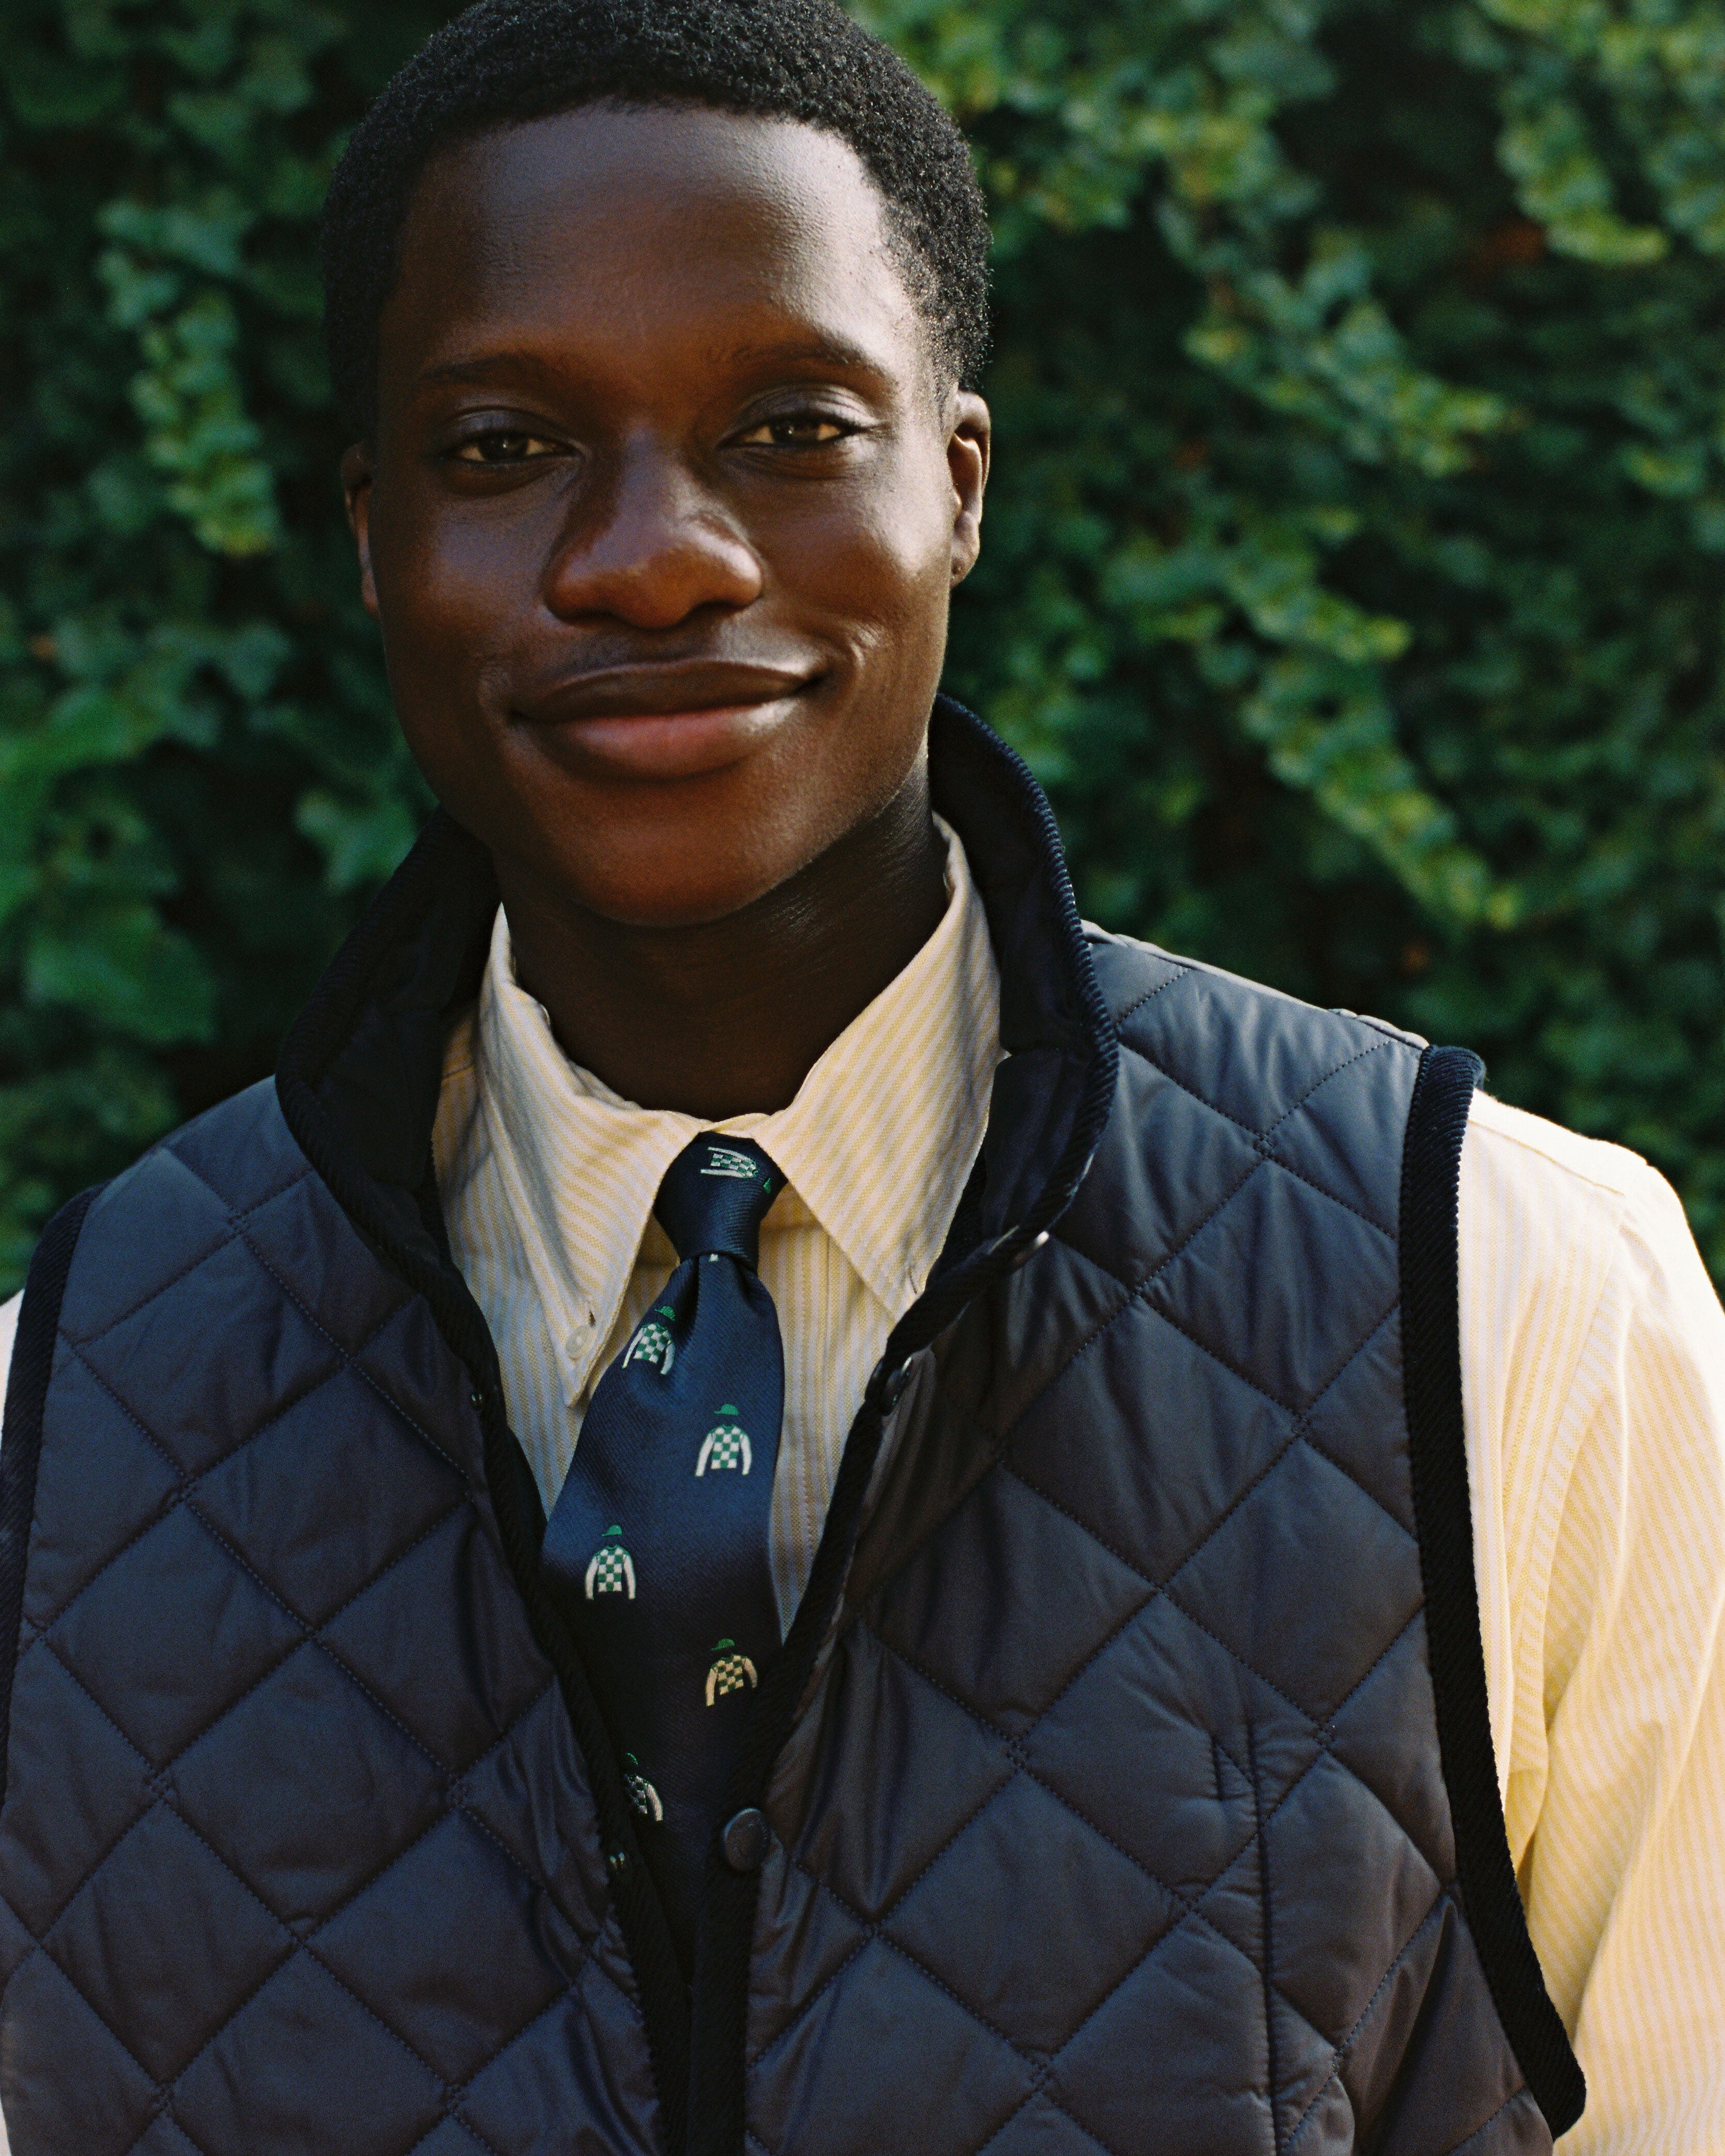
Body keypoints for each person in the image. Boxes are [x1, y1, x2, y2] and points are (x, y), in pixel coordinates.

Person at [0, 2, 1719, 2149]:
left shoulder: (1514, 1306)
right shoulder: (50, 1426)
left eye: (795, 429)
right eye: (503, 446)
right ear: (373, 532)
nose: (656, 554)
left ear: (961, 485)